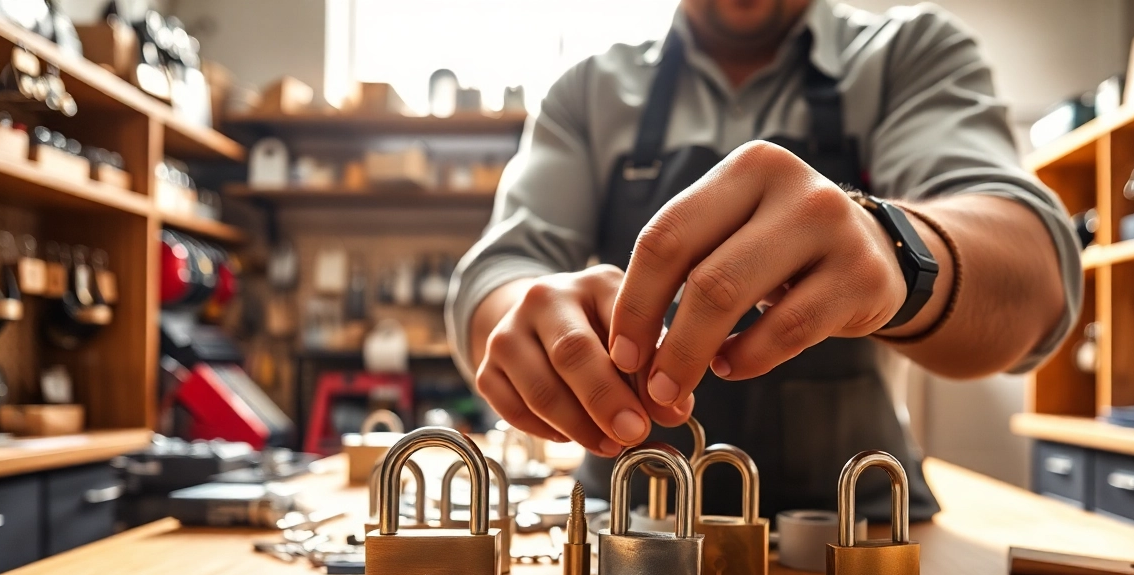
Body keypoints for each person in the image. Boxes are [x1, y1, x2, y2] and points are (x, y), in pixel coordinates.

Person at [446, 0, 1081, 520]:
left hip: (865, 531)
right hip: (629, 530)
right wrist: (534, 320)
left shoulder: (909, 54)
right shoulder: (586, 91)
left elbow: (1036, 275)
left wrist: (890, 247)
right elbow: (500, 272)